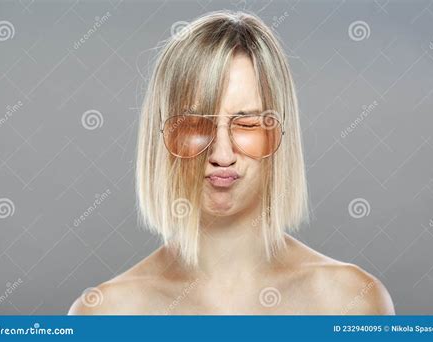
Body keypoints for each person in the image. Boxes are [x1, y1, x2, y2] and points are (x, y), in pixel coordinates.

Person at [69, 10, 394, 315]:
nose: (221, 155)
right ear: (162, 140)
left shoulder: (351, 301)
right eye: (195, 126)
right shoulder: (105, 314)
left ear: (281, 134)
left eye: (248, 124)